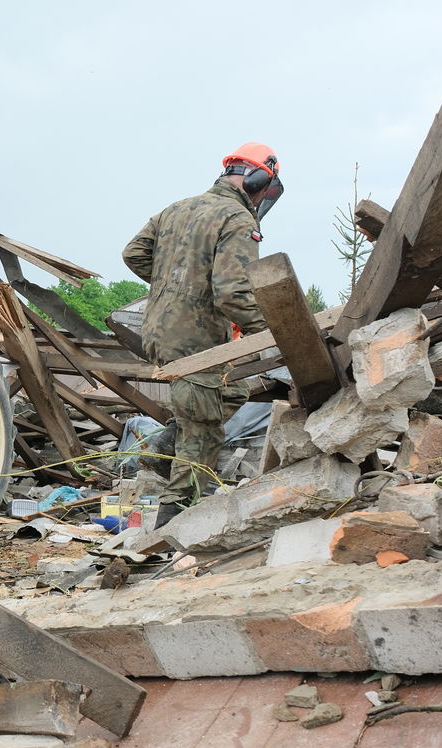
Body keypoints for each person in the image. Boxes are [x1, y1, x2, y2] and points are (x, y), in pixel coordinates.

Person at [122, 143, 284, 529]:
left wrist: (173, 287)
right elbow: (233, 291)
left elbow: (133, 254)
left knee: (231, 391)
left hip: (159, 329)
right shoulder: (238, 218)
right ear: (260, 180)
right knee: (204, 431)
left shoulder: (174, 209)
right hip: (196, 337)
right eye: (267, 189)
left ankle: (164, 445)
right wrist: (273, 333)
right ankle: (174, 524)